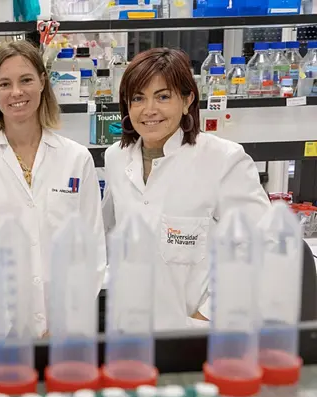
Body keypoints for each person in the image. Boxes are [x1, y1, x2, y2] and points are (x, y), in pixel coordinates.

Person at [102, 48, 270, 330]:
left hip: (196, 329)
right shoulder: (116, 158)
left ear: (187, 99)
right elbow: (110, 234)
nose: (149, 110)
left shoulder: (223, 159)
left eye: (163, 96)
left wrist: (208, 314)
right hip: (128, 326)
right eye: (138, 98)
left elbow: (261, 245)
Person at [0, 40, 107, 336]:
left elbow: (91, 253)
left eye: (26, 80)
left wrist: (62, 322)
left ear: (42, 83)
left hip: (66, 329)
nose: (16, 92)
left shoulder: (76, 159)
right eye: (5, 84)